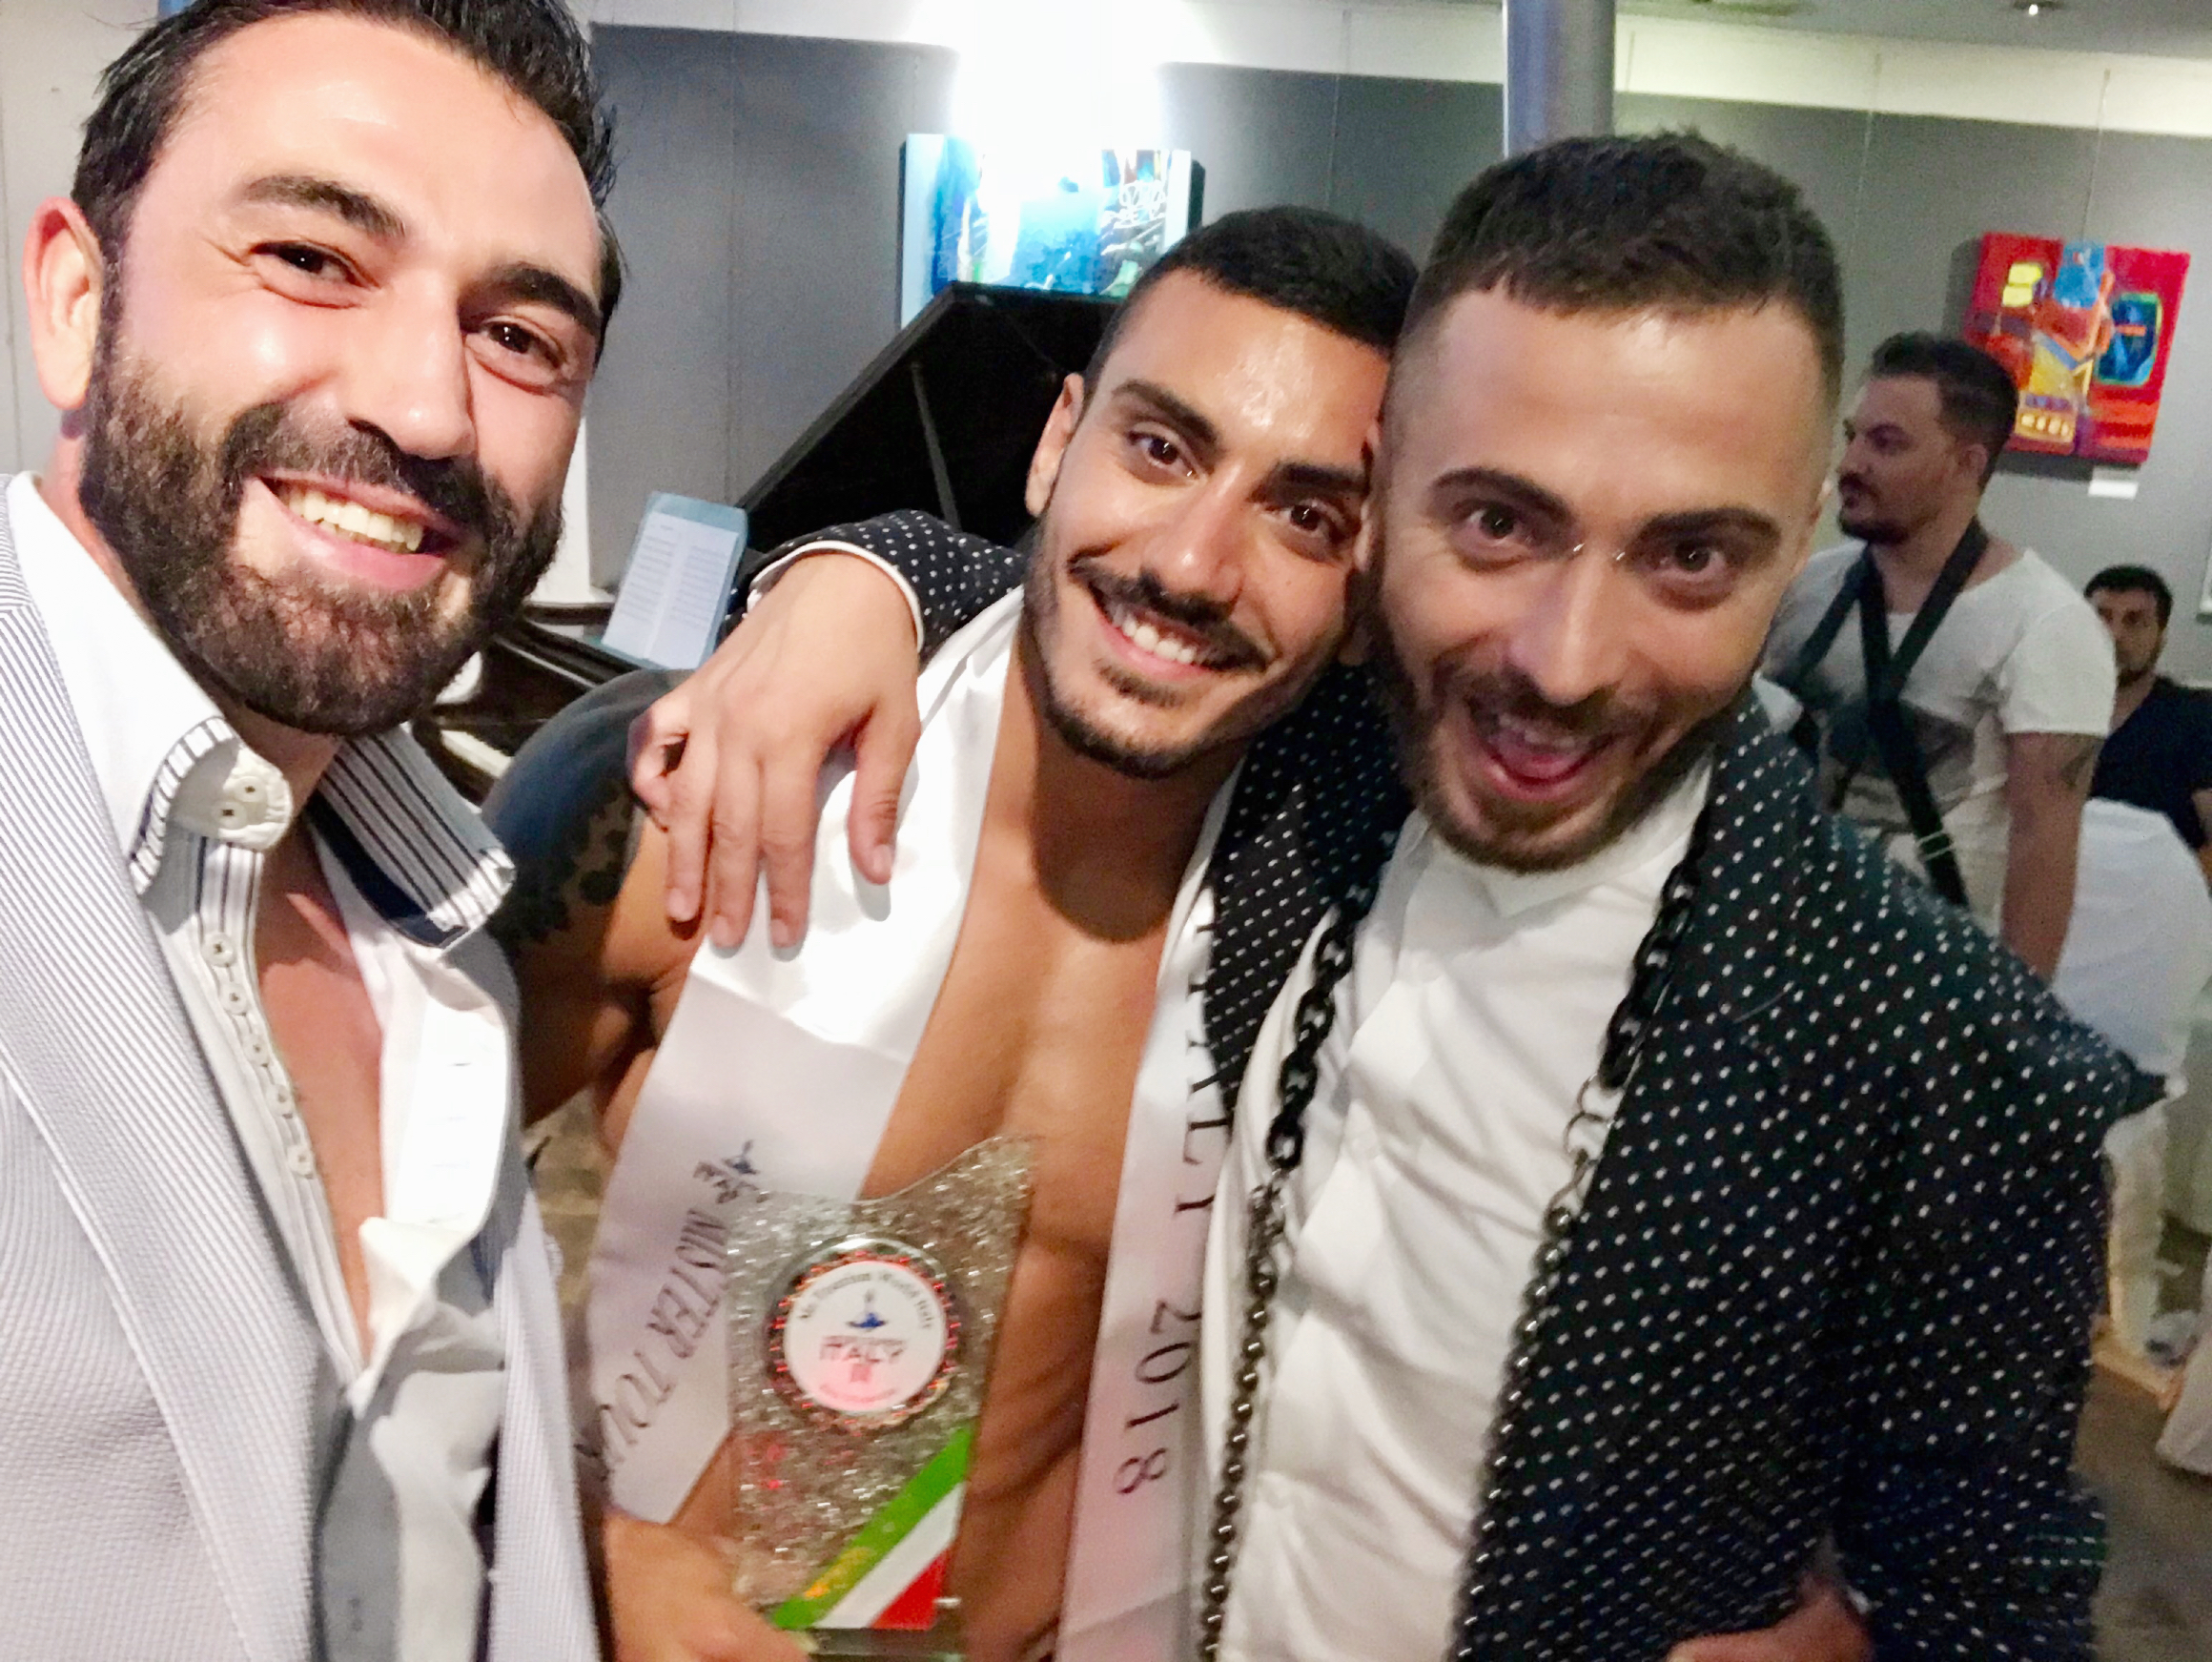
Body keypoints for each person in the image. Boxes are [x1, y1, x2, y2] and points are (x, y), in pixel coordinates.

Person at [633, 135, 2151, 1660]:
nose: (1564, 660)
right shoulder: (1323, 786)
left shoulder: (1946, 1058)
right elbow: (1117, 607)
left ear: (1800, 534)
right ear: (1387, 512)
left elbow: (1996, 1597)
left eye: (1691, 554)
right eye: (1495, 523)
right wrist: (859, 575)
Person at [491, 207, 1419, 1662]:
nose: (1193, 561)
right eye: (1158, 447)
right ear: (1056, 444)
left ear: (1371, 592)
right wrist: (583, 1539)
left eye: (1307, 516)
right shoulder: (691, 790)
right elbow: (345, 1232)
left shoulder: (1353, 927)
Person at [0, 2, 617, 1656]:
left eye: (521, 337)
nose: (428, 407)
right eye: (312, 259)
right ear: (76, 300)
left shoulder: (438, 930)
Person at [1764, 333, 2115, 978]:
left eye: (1886, 443)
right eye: (1854, 436)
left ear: (1965, 463)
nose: (1851, 463)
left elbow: (2043, 847)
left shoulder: (2047, 624)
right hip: (1772, 940)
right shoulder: (1808, 589)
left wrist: (2012, 1017)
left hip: (1923, 973)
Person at [2084, 564, 2212, 883]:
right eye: (2102, 617)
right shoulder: (2046, 712)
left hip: (2161, 896)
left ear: (2161, 636)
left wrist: (2156, 892)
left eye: (2135, 622)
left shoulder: (2196, 718)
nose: (2115, 635)